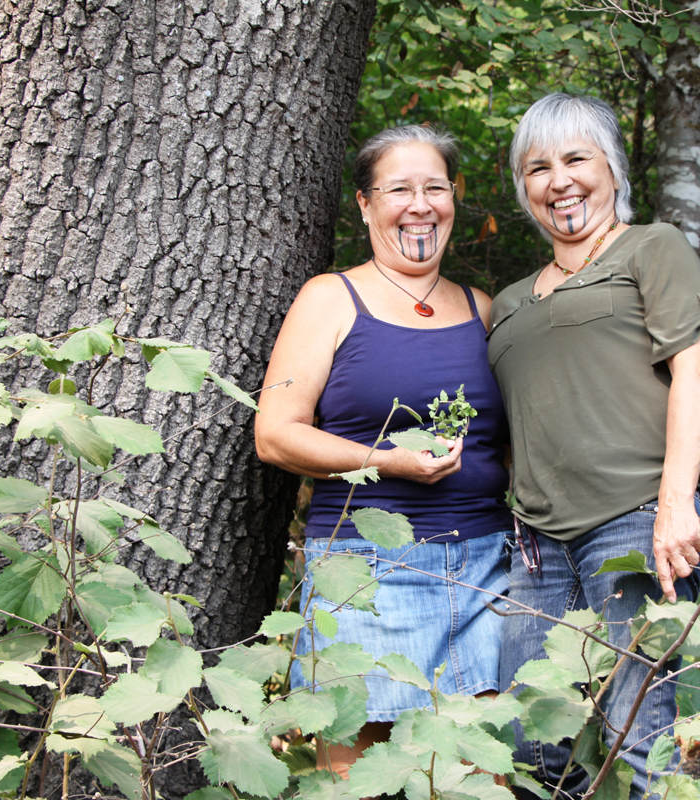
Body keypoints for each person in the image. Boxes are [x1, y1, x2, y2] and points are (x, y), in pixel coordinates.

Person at [255, 125, 511, 779]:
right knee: (354, 781)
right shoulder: (329, 299)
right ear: (367, 204)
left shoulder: (481, 309)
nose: (420, 204)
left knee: (481, 778)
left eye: (436, 187)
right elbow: (276, 433)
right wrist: (388, 462)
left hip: (484, 570)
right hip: (366, 573)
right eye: (400, 188)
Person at [489, 93, 700, 798]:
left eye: (575, 159)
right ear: (523, 190)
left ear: (612, 169)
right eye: (537, 167)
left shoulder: (651, 248)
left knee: (636, 737)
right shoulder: (506, 302)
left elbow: (697, 369)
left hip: (634, 520)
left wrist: (675, 505)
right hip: (537, 546)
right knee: (532, 747)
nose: (557, 180)